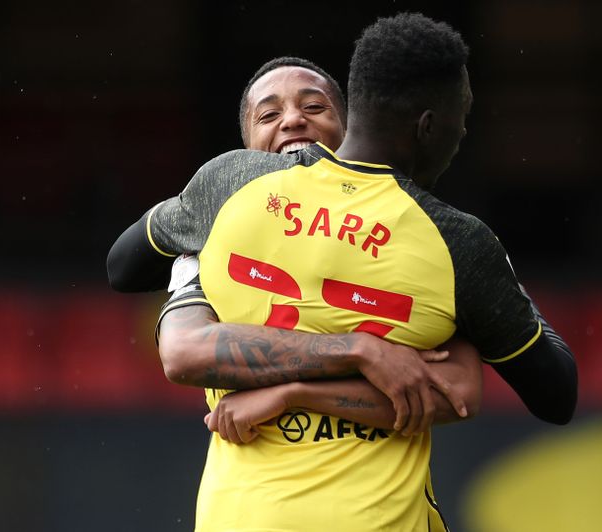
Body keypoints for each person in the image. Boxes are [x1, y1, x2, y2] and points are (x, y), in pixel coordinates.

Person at [111, 14, 577, 530]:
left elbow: (124, 269)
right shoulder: (454, 244)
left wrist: (290, 388)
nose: (293, 121)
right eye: (462, 116)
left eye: (313, 107)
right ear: (428, 125)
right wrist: (371, 346)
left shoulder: (228, 190)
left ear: (353, 112)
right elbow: (553, 394)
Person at [109, 55, 482, 436]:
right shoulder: (221, 234)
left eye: (315, 107)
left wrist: (295, 394)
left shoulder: (412, 235)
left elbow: (461, 391)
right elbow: (140, 293)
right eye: (269, 116)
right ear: (247, 151)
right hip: (250, 477)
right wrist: (362, 351)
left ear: (351, 131)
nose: (292, 120)